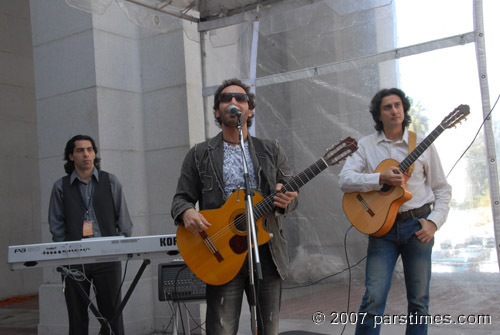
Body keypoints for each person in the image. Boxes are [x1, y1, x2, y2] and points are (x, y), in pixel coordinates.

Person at [171, 78, 299, 335]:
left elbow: (292, 196)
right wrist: (187, 212)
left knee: (268, 329)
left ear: (249, 110)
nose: (233, 103)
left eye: (240, 99)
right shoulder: (199, 154)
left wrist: (287, 200)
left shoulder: (271, 150)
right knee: (221, 330)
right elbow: (180, 199)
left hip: (266, 250)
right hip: (220, 252)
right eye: (226, 99)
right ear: (217, 111)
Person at [338, 88, 452, 335]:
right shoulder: (367, 145)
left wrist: (434, 222)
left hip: (417, 227)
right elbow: (345, 180)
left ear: (404, 109)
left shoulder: (422, 143)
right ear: (379, 115)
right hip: (381, 229)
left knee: (419, 301)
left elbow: (442, 189)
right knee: (374, 298)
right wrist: (379, 178)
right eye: (387, 107)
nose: (394, 110)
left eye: (398, 105)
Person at [48, 134, 133, 335]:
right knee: (76, 317)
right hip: (75, 259)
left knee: (112, 315)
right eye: (80, 150)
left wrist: (119, 249)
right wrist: (65, 253)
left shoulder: (111, 181)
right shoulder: (60, 187)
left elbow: (124, 222)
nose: (86, 154)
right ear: (71, 156)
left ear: (95, 154)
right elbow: (56, 226)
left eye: (90, 149)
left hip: (107, 258)